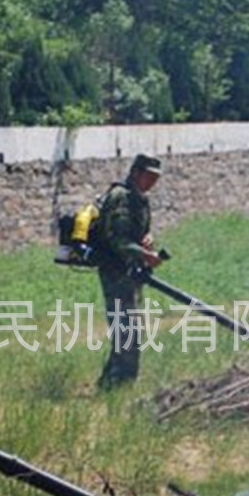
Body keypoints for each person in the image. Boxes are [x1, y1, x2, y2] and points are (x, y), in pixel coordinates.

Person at [95, 153, 163, 390]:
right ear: (136, 173)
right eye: (149, 176)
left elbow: (138, 232)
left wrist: (147, 240)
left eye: (156, 178)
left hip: (131, 272)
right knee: (128, 330)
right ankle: (120, 384)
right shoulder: (121, 198)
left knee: (129, 329)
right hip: (116, 272)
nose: (152, 182)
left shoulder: (139, 198)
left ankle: (110, 382)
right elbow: (118, 240)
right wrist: (145, 255)